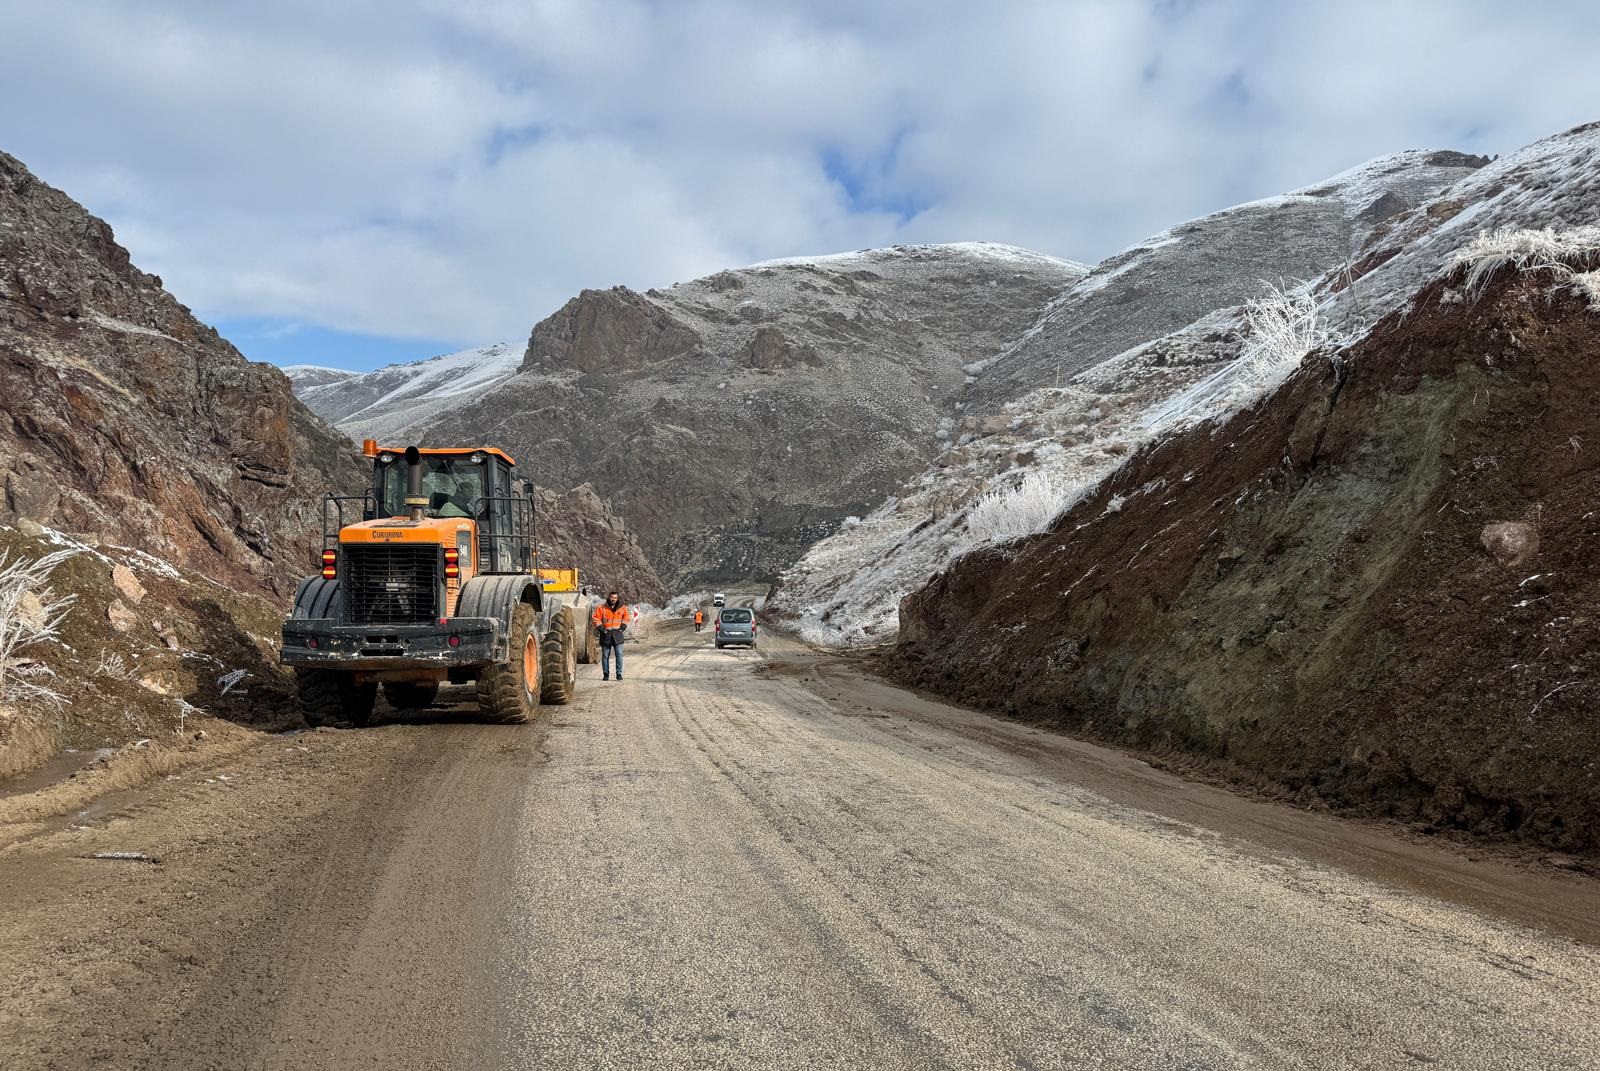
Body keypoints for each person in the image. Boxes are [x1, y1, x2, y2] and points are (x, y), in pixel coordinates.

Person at [592, 591, 629, 681]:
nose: (614, 599)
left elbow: (626, 617)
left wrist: (623, 626)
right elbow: (595, 617)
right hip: (606, 634)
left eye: (615, 598)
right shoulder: (602, 607)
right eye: (612, 597)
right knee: (605, 656)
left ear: (617, 598)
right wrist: (601, 628)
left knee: (619, 655)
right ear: (609, 598)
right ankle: (606, 674)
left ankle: (619, 674)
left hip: (618, 634)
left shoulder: (622, 608)